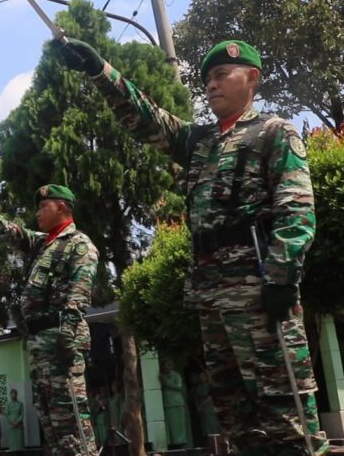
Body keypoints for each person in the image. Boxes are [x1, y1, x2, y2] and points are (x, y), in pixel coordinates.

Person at [52, 38, 326, 455]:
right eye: (207, 79)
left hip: (258, 291)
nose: (211, 85)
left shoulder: (273, 132)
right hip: (211, 296)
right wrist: (99, 70)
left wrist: (280, 278)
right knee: (234, 414)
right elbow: (147, 119)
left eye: (220, 75)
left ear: (251, 78)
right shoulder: (200, 142)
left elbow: (296, 209)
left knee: (284, 410)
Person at [0, 185, 98, 455]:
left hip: (60, 341)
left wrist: (67, 339)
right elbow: (5, 228)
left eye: (42, 206)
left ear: (61, 206)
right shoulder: (42, 243)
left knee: (71, 421)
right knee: (51, 423)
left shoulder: (78, 244)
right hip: (39, 344)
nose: (37, 213)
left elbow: (79, 294)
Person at [159, 359, 187, 449]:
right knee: (170, 427)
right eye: (164, 365)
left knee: (178, 426)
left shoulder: (176, 375)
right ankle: (172, 444)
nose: (165, 367)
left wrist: (166, 382)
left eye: (168, 365)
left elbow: (179, 386)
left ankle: (180, 444)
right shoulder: (161, 376)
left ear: (172, 366)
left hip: (176, 404)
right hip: (167, 404)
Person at [192, 370, 220, 441]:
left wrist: (201, 405)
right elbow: (196, 397)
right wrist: (197, 406)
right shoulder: (198, 387)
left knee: (212, 426)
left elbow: (210, 398)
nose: (200, 377)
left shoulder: (209, 385)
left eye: (202, 376)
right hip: (201, 409)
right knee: (205, 427)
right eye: (200, 376)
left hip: (208, 407)